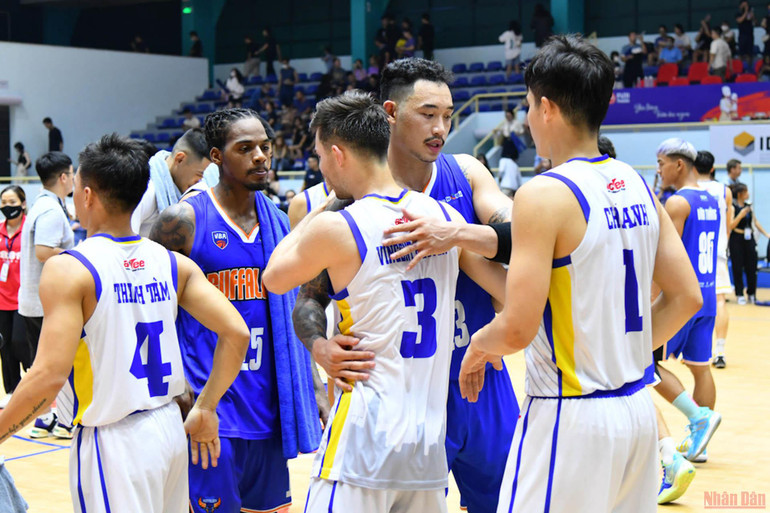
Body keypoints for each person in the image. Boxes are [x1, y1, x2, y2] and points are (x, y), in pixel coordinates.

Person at [458, 35, 702, 513]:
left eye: (528, 105)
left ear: (546, 107)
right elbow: (686, 297)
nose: (528, 118)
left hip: (569, 417)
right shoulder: (636, 182)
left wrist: (478, 346)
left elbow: (519, 326)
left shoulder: (544, 194)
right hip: (637, 411)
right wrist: (622, 352)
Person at [262, 90, 506, 513]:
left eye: (320, 155)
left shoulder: (338, 226)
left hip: (365, 439)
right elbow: (508, 290)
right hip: (426, 446)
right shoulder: (442, 219)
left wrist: (327, 203)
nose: (319, 165)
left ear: (338, 155)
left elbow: (274, 276)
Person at [0, 133, 251, 513]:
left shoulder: (70, 269)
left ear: (87, 195)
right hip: (168, 430)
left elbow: (48, 377)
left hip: (112, 441)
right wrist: (208, 406)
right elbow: (237, 332)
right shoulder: (173, 263)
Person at [150, 108, 321, 513]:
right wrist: (180, 397)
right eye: (245, 148)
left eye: (265, 146)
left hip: (269, 407)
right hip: (212, 409)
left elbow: (295, 310)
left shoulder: (279, 223)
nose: (261, 156)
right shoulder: (183, 221)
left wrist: (312, 388)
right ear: (216, 157)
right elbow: (153, 313)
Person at [653, 138, 722, 466]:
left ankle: (698, 420)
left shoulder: (678, 203)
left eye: (661, 162)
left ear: (678, 164)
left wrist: (651, 297)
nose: (658, 169)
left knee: (645, 364)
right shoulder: (711, 198)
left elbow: (669, 256)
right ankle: (701, 443)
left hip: (681, 296)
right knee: (700, 368)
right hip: (707, 292)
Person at [18, 151, 75, 438]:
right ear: (63, 177)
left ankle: (43, 419)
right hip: (46, 304)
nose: (74, 178)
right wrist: (78, 254)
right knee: (60, 363)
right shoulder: (51, 210)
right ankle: (65, 422)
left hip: (32, 300)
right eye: (72, 173)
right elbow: (44, 251)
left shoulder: (42, 204)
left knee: (38, 364)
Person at [131, 128, 213, 237]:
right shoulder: (145, 189)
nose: (199, 181)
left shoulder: (196, 190)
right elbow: (125, 243)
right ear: (180, 159)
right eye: (199, 174)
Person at [694, 151, 733, 368]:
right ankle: (720, 351)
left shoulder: (688, 190)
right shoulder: (723, 191)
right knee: (719, 300)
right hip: (716, 251)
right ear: (712, 168)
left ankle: (695, 350)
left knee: (691, 299)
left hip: (694, 252)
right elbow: (727, 226)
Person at [0, 186, 27, 409]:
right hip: (2, 299)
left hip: (24, 299)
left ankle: (31, 389)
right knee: (5, 346)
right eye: (4, 202)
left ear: (23, 203)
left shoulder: (29, 230)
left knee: (21, 344)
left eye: (12, 202)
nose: (8, 207)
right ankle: (12, 390)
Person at [729, 183, 769, 304]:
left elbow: (755, 222)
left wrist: (766, 234)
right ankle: (740, 293)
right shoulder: (732, 207)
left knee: (752, 266)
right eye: (746, 192)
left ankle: (751, 293)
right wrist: (740, 215)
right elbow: (731, 225)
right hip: (737, 238)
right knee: (737, 266)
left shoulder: (748, 207)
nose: (748, 194)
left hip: (749, 237)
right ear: (740, 194)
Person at [736, 1, 756, 65]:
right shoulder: (738, 13)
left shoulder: (750, 13)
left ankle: (749, 68)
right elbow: (739, 20)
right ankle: (740, 67)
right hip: (742, 36)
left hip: (750, 36)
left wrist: (752, 16)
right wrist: (746, 11)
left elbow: (755, 23)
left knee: (749, 54)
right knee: (741, 53)